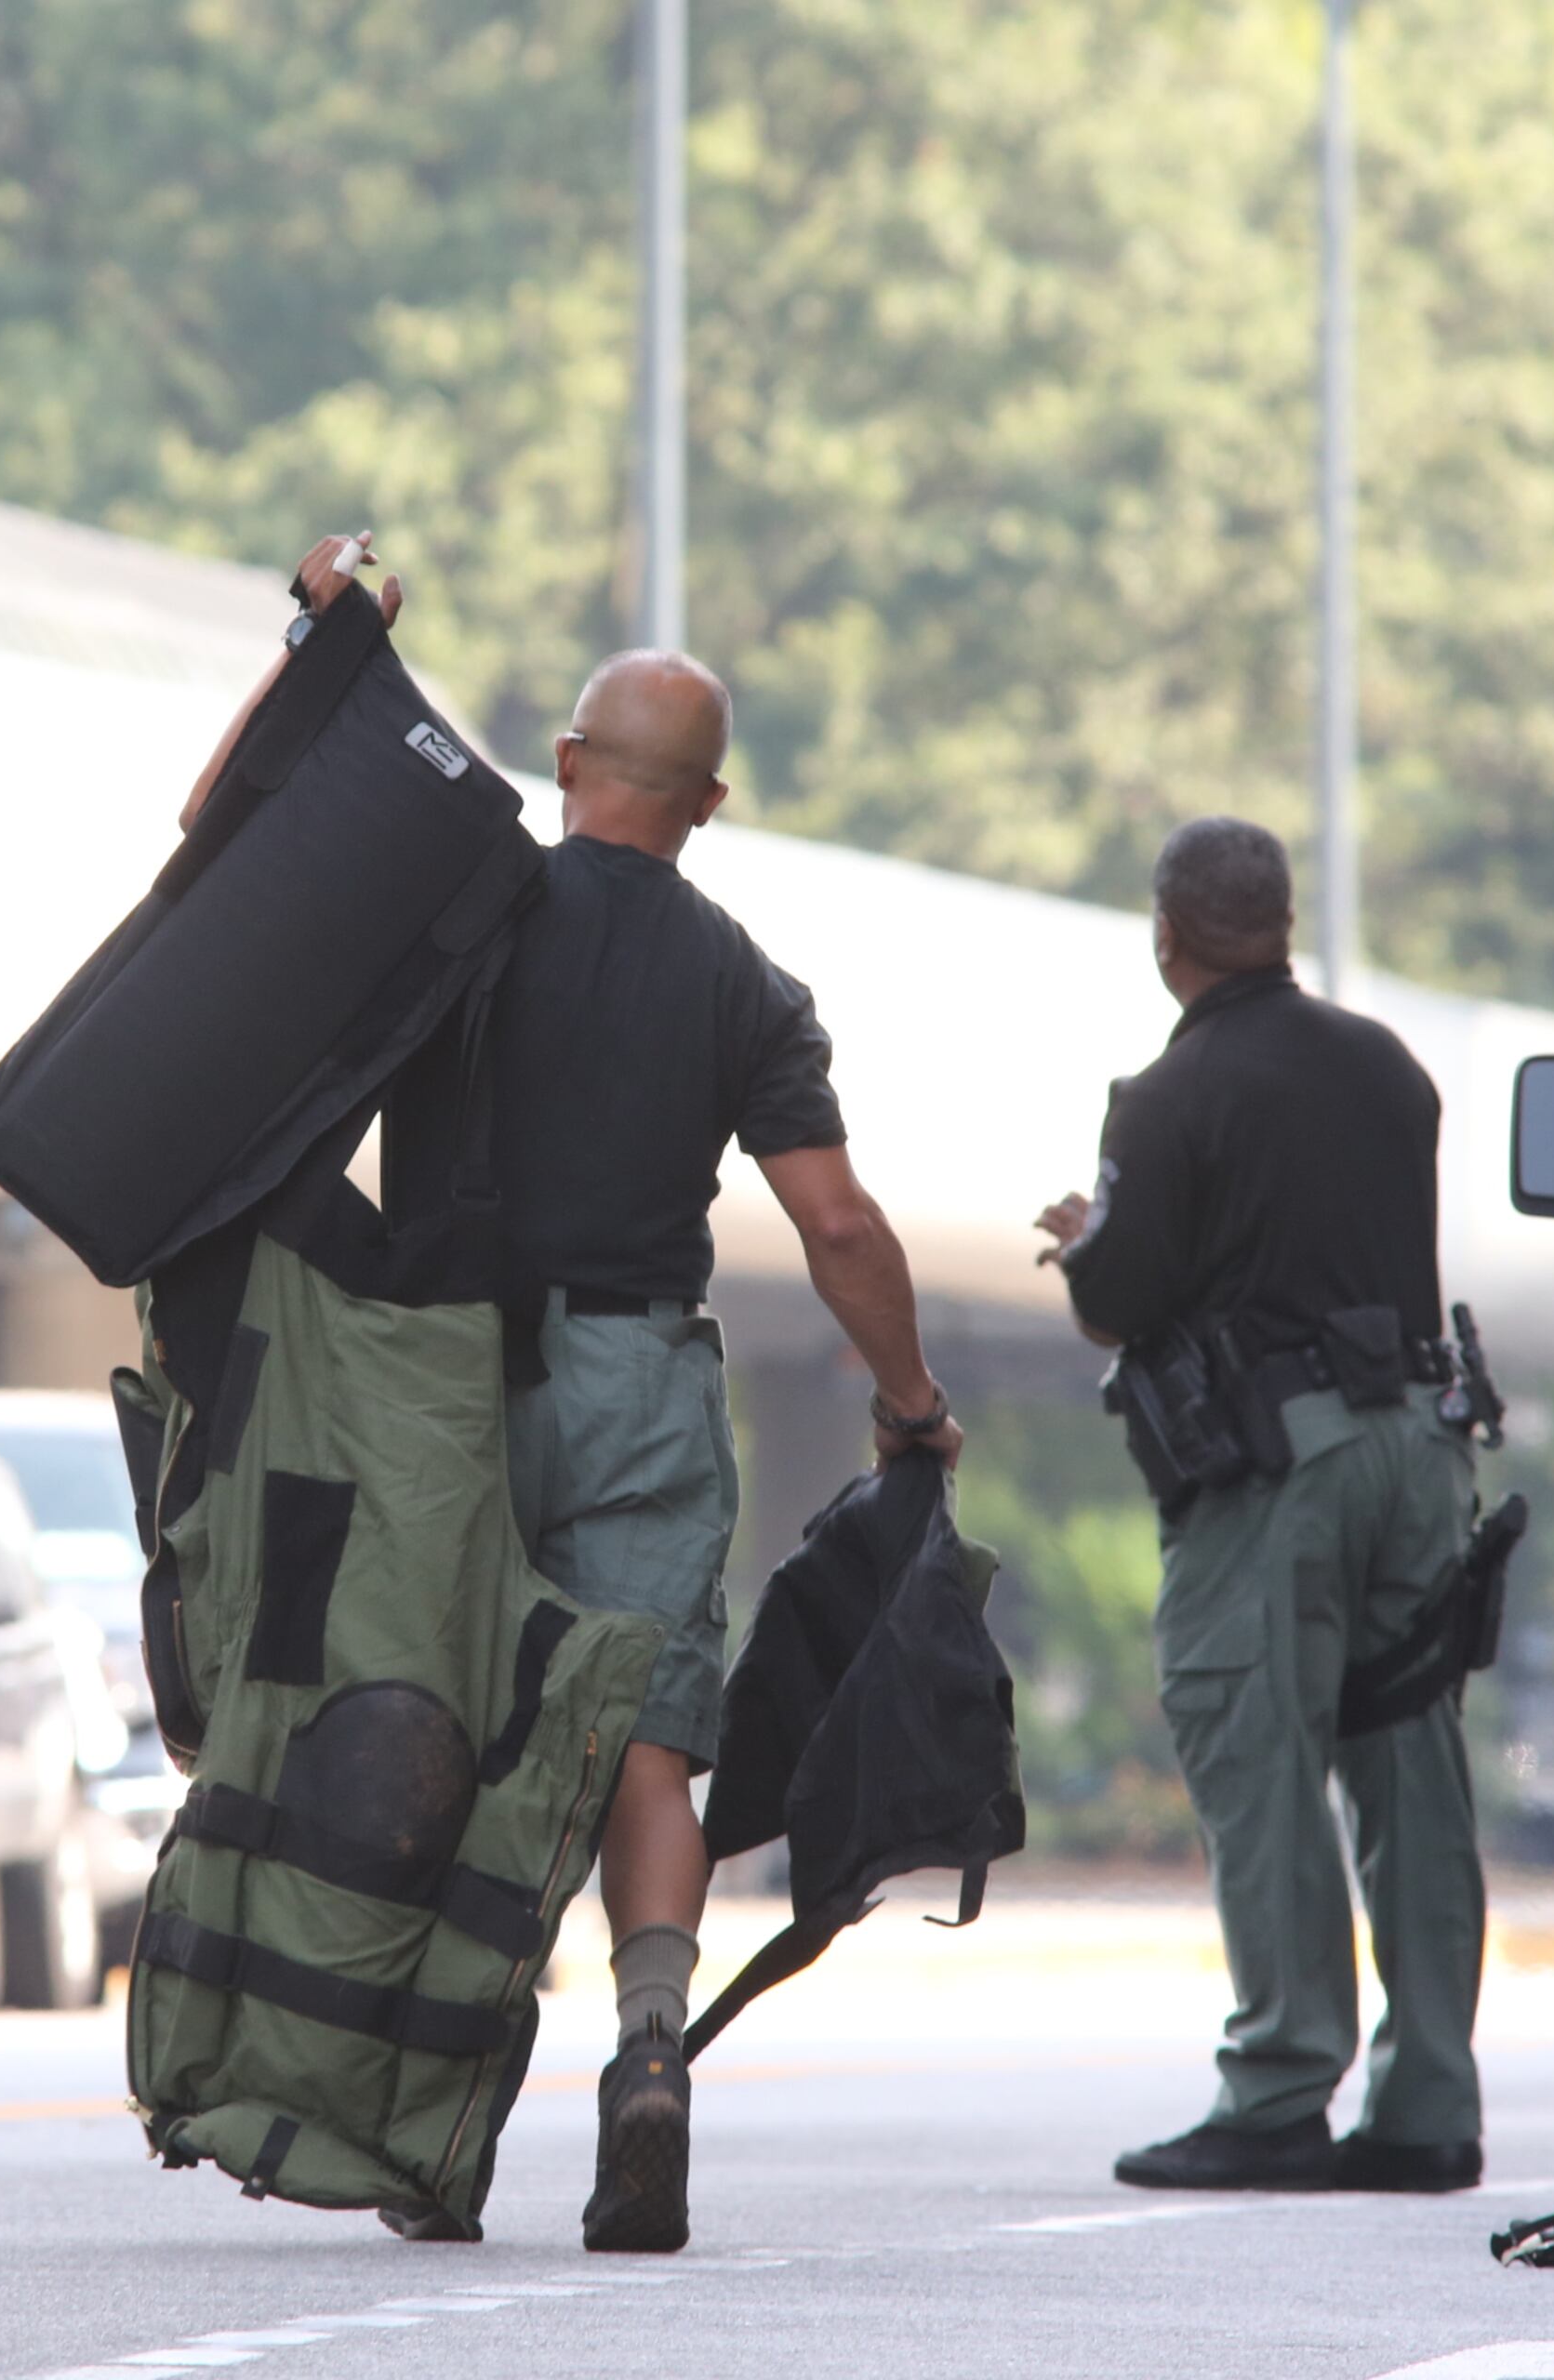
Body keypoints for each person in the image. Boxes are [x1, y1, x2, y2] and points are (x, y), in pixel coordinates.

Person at [196, 534, 963, 2254]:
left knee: (431, 1722)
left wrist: (321, 651)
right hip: (637, 1378)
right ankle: (649, 2051)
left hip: (441, 1377)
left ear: (566, 768)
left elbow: (226, 843)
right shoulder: (750, 984)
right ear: (709, 802)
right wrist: (909, 1399)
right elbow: (834, 1222)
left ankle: (410, 2120)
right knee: (641, 1740)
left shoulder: (461, 914)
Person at [1034, 815, 1485, 2195]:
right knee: (1411, 1763)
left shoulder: (1168, 1100)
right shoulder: (1390, 1071)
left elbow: (1124, 1303)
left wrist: (1085, 1243)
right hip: (1422, 1446)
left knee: (1263, 1754)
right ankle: (1426, 2111)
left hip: (1280, 1468)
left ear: (1168, 940)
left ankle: (1281, 2086)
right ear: (1282, 923)